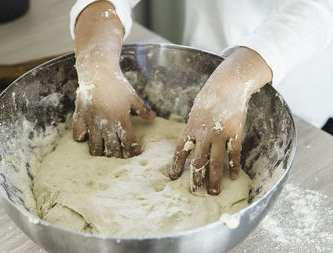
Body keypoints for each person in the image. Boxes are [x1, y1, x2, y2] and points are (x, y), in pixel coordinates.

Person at [70, 0, 333, 195]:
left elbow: (319, 10)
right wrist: (97, 64)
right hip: (203, 54)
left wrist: (235, 78)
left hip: (297, 90)